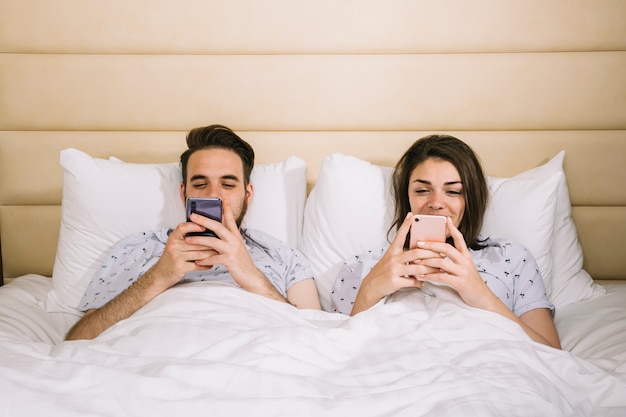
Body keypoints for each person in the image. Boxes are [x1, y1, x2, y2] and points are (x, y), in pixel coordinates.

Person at [66, 125, 321, 340]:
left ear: (248, 194)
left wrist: (252, 277)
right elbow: (78, 339)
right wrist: (158, 277)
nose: (213, 195)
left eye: (227, 184)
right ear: (183, 193)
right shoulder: (137, 248)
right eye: (200, 184)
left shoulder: (284, 257)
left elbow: (320, 338)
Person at [331, 134, 561, 349]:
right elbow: (338, 353)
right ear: (406, 197)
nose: (436, 203)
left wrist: (481, 294)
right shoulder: (362, 265)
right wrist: (369, 291)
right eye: (422, 190)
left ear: (472, 199)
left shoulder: (510, 258)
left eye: (453, 192)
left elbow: (553, 356)